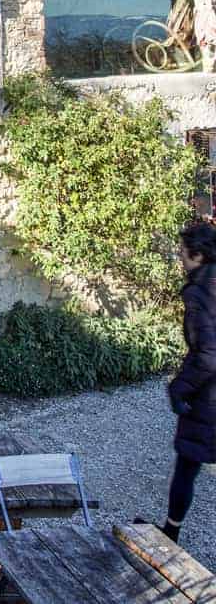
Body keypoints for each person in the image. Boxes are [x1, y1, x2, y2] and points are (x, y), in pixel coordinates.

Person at [158, 220, 216, 543]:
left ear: (197, 255)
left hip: (208, 399)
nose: (179, 258)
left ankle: (170, 535)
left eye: (182, 252)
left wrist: (178, 387)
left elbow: (209, 354)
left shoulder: (199, 293)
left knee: (187, 465)